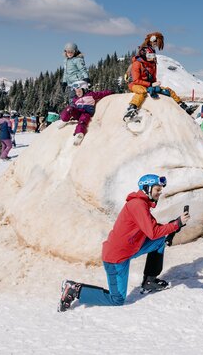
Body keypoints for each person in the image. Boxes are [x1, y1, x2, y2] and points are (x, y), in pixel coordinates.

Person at [58, 174, 188, 311]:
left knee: (159, 241)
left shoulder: (142, 204)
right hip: (116, 258)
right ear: (147, 188)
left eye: (160, 190)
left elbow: (152, 229)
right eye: (157, 189)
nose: (160, 193)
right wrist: (176, 224)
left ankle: (149, 281)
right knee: (117, 299)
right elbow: (153, 232)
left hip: (131, 248)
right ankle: (74, 290)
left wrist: (174, 225)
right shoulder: (137, 205)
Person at [123, 32, 197, 121]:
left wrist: (155, 85)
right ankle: (132, 108)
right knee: (142, 92)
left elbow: (152, 77)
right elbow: (136, 80)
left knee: (168, 90)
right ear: (144, 54)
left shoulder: (152, 65)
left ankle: (183, 106)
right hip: (136, 84)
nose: (152, 58)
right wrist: (151, 85)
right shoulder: (137, 64)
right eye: (150, 56)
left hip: (149, 84)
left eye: (153, 55)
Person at [56, 81, 113, 146]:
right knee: (69, 109)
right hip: (78, 112)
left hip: (86, 113)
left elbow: (101, 93)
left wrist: (110, 92)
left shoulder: (91, 95)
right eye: (76, 92)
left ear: (84, 89)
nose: (78, 93)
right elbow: (73, 106)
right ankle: (64, 120)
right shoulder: (76, 99)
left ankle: (79, 134)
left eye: (79, 91)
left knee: (82, 121)